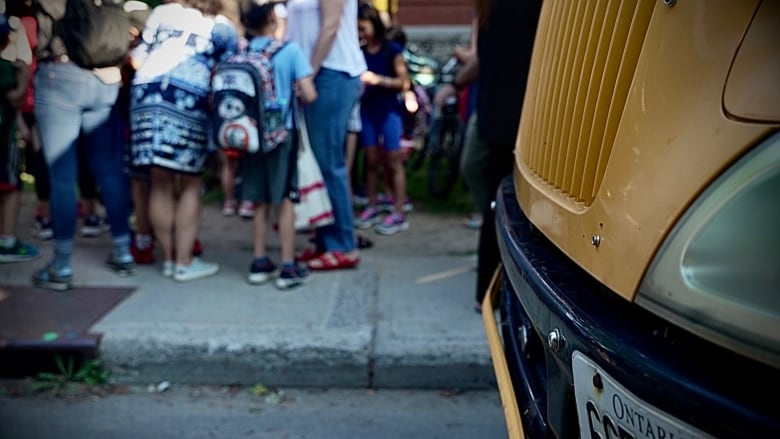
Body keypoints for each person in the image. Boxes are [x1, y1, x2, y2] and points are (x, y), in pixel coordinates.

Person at [31, 0, 136, 290]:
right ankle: (123, 251)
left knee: (62, 177)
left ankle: (62, 266)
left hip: (60, 77)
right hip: (106, 79)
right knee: (111, 171)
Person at [129, 0, 238, 282]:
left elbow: (138, 58)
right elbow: (229, 71)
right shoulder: (222, 28)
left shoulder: (162, 13)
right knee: (191, 181)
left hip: (145, 96)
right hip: (188, 99)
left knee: (160, 180)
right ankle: (184, 262)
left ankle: (168, 259)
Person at [446, 0, 542, 311]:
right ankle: (494, 291)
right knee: (506, 203)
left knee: (502, 203)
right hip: (511, 114)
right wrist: (455, 82)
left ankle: (491, 291)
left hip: (510, 114)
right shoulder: (491, 8)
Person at [236, 0, 317, 289]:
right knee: (284, 199)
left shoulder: (243, 52)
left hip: (251, 135)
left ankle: (259, 262)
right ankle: (287, 265)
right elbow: (309, 94)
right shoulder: (289, 51)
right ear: (273, 21)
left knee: (258, 199)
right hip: (283, 133)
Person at [285, 0, 366, 271]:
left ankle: (342, 244)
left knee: (329, 162)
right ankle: (323, 239)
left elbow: (331, 26)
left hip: (331, 72)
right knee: (316, 162)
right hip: (315, 73)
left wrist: (308, 71)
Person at [353, 2, 410, 235]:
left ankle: (398, 211)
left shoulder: (391, 50)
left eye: (363, 28)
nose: (360, 33)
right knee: (371, 159)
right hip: (367, 111)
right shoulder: (360, 51)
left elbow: (403, 82)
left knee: (393, 159)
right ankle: (372, 205)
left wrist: (378, 80)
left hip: (389, 111)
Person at [0, 12, 39, 263]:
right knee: (10, 187)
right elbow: (14, 98)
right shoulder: (5, 67)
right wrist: (24, 76)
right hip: (4, 139)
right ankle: (8, 241)